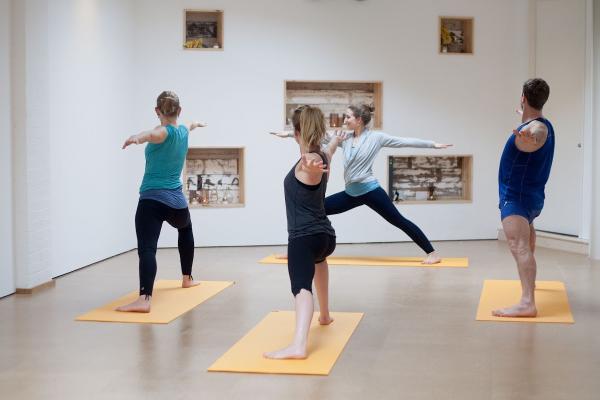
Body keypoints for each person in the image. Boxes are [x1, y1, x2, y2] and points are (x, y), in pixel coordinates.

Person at [273, 104, 452, 264]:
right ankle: (298, 250)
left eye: (348, 117)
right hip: (351, 194)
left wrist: (432, 144)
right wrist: (290, 134)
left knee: (399, 221)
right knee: (314, 210)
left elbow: (403, 141)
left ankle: (432, 253)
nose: (345, 120)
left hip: (370, 191)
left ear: (358, 120)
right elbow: (316, 135)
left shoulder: (376, 138)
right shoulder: (345, 138)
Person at [264, 105, 344, 360]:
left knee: (300, 288)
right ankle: (325, 314)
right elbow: (329, 149)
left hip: (303, 238)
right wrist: (334, 142)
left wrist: (311, 165)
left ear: (297, 131)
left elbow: (312, 166)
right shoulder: (324, 155)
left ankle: (299, 345)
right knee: (319, 262)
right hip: (325, 238)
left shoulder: (310, 161)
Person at [118, 91, 205, 313]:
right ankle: (187, 278)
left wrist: (137, 137)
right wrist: (196, 123)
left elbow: (151, 134)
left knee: (147, 249)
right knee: (186, 228)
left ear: (157, 111)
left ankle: (144, 299)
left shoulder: (162, 132)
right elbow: (190, 125)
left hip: (152, 201)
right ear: (180, 111)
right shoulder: (184, 131)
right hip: (176, 202)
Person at [493, 78, 554, 318]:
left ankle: (528, 301)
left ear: (523, 97)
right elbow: (538, 126)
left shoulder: (536, 129)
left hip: (516, 197)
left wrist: (532, 136)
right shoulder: (544, 122)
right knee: (526, 236)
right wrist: (524, 118)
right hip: (532, 198)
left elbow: (537, 132)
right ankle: (531, 284)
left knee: (518, 246)